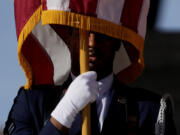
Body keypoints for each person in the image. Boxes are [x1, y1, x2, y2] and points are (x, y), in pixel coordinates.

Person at [3, 0, 177, 135]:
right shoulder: (31, 104)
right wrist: (64, 113)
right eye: (82, 34)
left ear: (117, 42)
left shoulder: (150, 111)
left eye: (102, 33)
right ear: (68, 39)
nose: (92, 43)